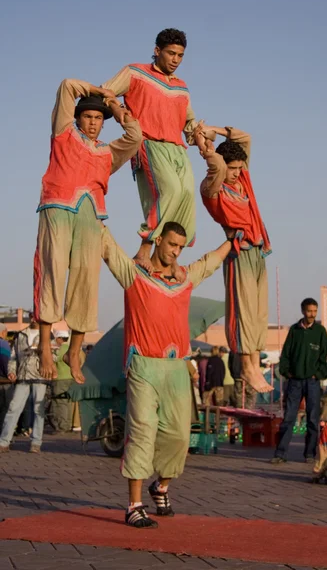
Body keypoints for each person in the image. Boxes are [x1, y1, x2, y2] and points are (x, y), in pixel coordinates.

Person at [101, 220, 232, 528]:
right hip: (143, 365)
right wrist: (96, 214)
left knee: (178, 436)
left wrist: (231, 240)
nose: (175, 251)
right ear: (158, 240)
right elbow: (108, 249)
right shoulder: (135, 275)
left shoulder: (185, 278)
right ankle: (134, 505)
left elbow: (210, 262)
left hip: (176, 366)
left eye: (180, 247)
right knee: (142, 431)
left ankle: (160, 487)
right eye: (171, 244)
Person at [34, 78, 142, 385]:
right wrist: (100, 92)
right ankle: (44, 345)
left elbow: (135, 136)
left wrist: (114, 107)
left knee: (86, 278)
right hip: (57, 205)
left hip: (91, 213)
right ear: (78, 118)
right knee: (52, 269)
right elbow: (68, 86)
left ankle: (74, 351)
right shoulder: (63, 134)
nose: (93, 123)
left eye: (98, 119)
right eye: (88, 116)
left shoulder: (108, 153)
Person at [101, 28, 203, 272]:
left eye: (180, 55)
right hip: (149, 142)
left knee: (187, 195)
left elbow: (189, 124)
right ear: (157, 51)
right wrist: (118, 110)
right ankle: (145, 248)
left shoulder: (182, 87)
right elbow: (105, 91)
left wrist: (200, 135)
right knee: (171, 191)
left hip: (177, 148)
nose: (176, 60)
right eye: (171, 53)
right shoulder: (136, 72)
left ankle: (172, 256)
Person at [198, 126, 272, 394]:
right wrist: (204, 143)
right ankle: (246, 366)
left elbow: (244, 138)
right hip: (237, 250)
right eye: (232, 168)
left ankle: (254, 362)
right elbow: (216, 164)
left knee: (258, 312)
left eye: (240, 167)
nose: (237, 172)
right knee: (242, 310)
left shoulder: (244, 182)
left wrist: (213, 129)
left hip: (257, 250)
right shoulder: (213, 188)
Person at [271, 298, 327, 464]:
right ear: (303, 310)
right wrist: (286, 372)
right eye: (309, 311)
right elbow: (286, 354)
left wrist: (318, 374)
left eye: (314, 311)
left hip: (312, 383)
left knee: (312, 419)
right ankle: (280, 453)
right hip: (295, 382)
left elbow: (325, 356)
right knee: (289, 417)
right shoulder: (294, 331)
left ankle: (310, 454)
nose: (312, 314)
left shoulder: (320, 331)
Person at [0, 316, 48, 453]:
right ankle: (4, 441)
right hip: (22, 376)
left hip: (40, 376)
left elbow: (53, 356)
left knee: (39, 410)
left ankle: (36, 442)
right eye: (32, 316)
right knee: (13, 408)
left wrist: (40, 353)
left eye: (37, 317)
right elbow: (14, 356)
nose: (34, 319)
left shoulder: (46, 335)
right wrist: (11, 371)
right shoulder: (21, 335)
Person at [50, 331, 84, 432]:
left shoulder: (60, 349)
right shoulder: (72, 348)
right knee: (69, 403)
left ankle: (62, 427)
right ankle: (68, 425)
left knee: (60, 403)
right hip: (71, 378)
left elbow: (53, 360)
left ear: (59, 338)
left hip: (60, 380)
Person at [0, 323, 15, 431]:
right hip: (3, 381)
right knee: (5, 407)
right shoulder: (3, 344)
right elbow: (6, 362)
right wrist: (9, 374)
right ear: (3, 332)